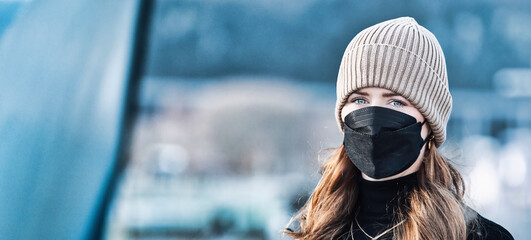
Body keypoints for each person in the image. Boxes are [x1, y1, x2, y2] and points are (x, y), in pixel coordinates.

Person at [284, 17, 513, 240]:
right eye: (360, 100)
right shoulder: (309, 230)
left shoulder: (477, 235)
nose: (373, 118)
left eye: (396, 102)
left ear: (429, 122)